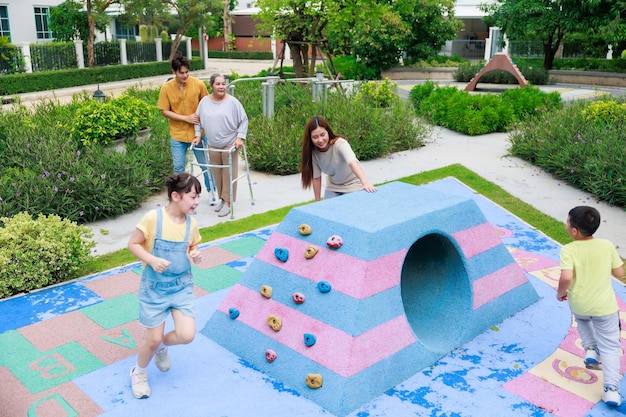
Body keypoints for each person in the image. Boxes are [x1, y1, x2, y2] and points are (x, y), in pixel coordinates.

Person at [127, 172, 203, 399]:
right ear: (175, 196)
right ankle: (138, 372)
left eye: (198, 196)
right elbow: (133, 244)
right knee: (152, 339)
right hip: (155, 289)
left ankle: (161, 347)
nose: (197, 201)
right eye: (192, 196)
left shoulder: (192, 223)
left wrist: (195, 255)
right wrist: (151, 259)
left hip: (181, 286)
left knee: (187, 335)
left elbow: (192, 247)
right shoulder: (153, 218)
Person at [556, 206, 624, 407]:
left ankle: (591, 349)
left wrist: (560, 292)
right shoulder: (606, 245)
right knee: (611, 346)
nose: (566, 224)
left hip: (580, 303)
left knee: (584, 323)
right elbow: (619, 273)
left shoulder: (568, 250)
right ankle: (611, 389)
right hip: (605, 307)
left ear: (574, 230)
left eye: (567, 221)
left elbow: (567, 276)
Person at [158, 51, 216, 204]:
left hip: (198, 134)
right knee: (178, 169)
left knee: (205, 166)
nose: (185, 75)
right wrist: (186, 118)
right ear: (174, 72)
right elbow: (164, 111)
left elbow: (207, 104)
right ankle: (178, 197)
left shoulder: (198, 84)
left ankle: (212, 193)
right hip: (178, 135)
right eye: (181, 73)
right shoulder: (166, 88)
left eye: (187, 72)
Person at [193, 73, 248, 217]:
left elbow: (244, 120)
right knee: (217, 174)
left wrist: (240, 138)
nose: (221, 86)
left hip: (230, 143)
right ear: (211, 86)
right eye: (218, 84)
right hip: (212, 143)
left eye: (223, 84)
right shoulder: (204, 102)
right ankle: (222, 199)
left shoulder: (233, 102)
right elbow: (197, 119)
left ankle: (228, 202)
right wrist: (197, 135)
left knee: (228, 173)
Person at [300, 116, 377, 201]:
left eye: (322, 135)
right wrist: (317, 202)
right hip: (333, 186)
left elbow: (352, 162)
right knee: (327, 210)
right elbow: (316, 178)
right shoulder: (314, 153)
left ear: (328, 132)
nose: (320, 140)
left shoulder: (340, 144)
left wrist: (365, 182)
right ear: (310, 139)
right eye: (315, 137)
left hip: (352, 183)